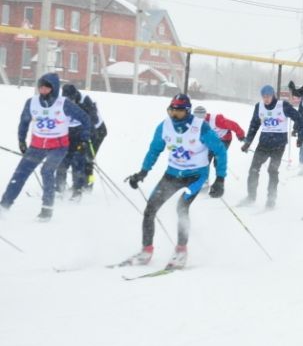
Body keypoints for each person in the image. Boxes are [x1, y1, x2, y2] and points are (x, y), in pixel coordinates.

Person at [120, 94, 227, 269]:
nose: (174, 116)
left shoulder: (201, 128)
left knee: (181, 207)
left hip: (195, 175)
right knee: (150, 209)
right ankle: (146, 250)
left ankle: (181, 250)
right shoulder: (165, 126)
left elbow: (220, 151)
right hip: (172, 174)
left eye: (178, 112)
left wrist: (220, 179)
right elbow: (154, 150)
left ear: (187, 111)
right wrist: (142, 172)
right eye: (171, 111)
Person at [0, 73, 91, 221]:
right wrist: (22, 140)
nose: (42, 89)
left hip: (58, 146)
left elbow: (85, 118)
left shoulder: (64, 104)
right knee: (20, 174)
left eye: (46, 87)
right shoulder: (31, 102)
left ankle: (47, 210)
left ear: (53, 88)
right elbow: (24, 122)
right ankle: (4, 205)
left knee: (47, 171)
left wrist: (84, 139)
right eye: (40, 86)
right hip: (37, 145)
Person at [240, 85, 303, 208]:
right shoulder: (259, 107)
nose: (266, 99)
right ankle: (251, 197)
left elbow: (299, 118)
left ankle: (271, 199)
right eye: (264, 97)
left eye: (268, 96)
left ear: (273, 95)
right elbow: (254, 125)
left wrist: (299, 134)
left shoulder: (282, 105)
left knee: (272, 170)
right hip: (263, 143)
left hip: (278, 145)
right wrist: (248, 142)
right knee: (253, 169)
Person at [55, 83, 105, 200]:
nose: (70, 101)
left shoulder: (84, 101)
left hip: (97, 131)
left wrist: (85, 138)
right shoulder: (63, 102)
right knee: (68, 159)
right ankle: (63, 188)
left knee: (87, 158)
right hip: (77, 132)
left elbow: (93, 120)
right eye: (67, 99)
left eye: (71, 99)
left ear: (75, 95)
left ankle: (87, 185)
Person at [192, 105, 245, 180]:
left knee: (217, 160)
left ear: (205, 116)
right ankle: (203, 180)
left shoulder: (217, 119)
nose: (199, 121)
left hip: (224, 139)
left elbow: (233, 125)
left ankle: (219, 180)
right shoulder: (196, 123)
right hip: (211, 140)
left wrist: (240, 135)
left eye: (201, 118)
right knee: (205, 158)